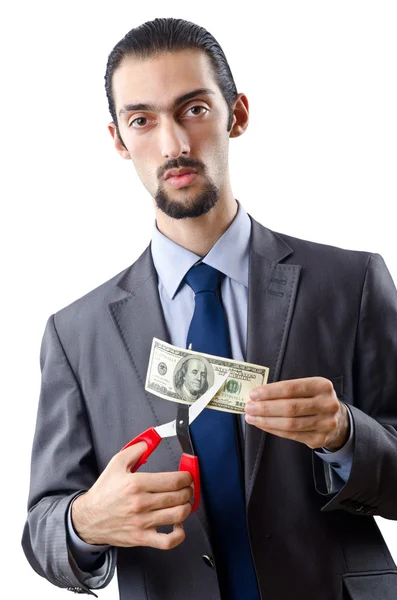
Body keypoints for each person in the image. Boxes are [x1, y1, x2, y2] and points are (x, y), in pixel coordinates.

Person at [22, 17, 397, 600]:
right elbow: (42, 526)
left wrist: (348, 434)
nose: (173, 144)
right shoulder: (76, 334)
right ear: (120, 140)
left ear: (237, 114)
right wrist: (84, 522)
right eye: (142, 120)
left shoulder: (351, 283)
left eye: (194, 109)